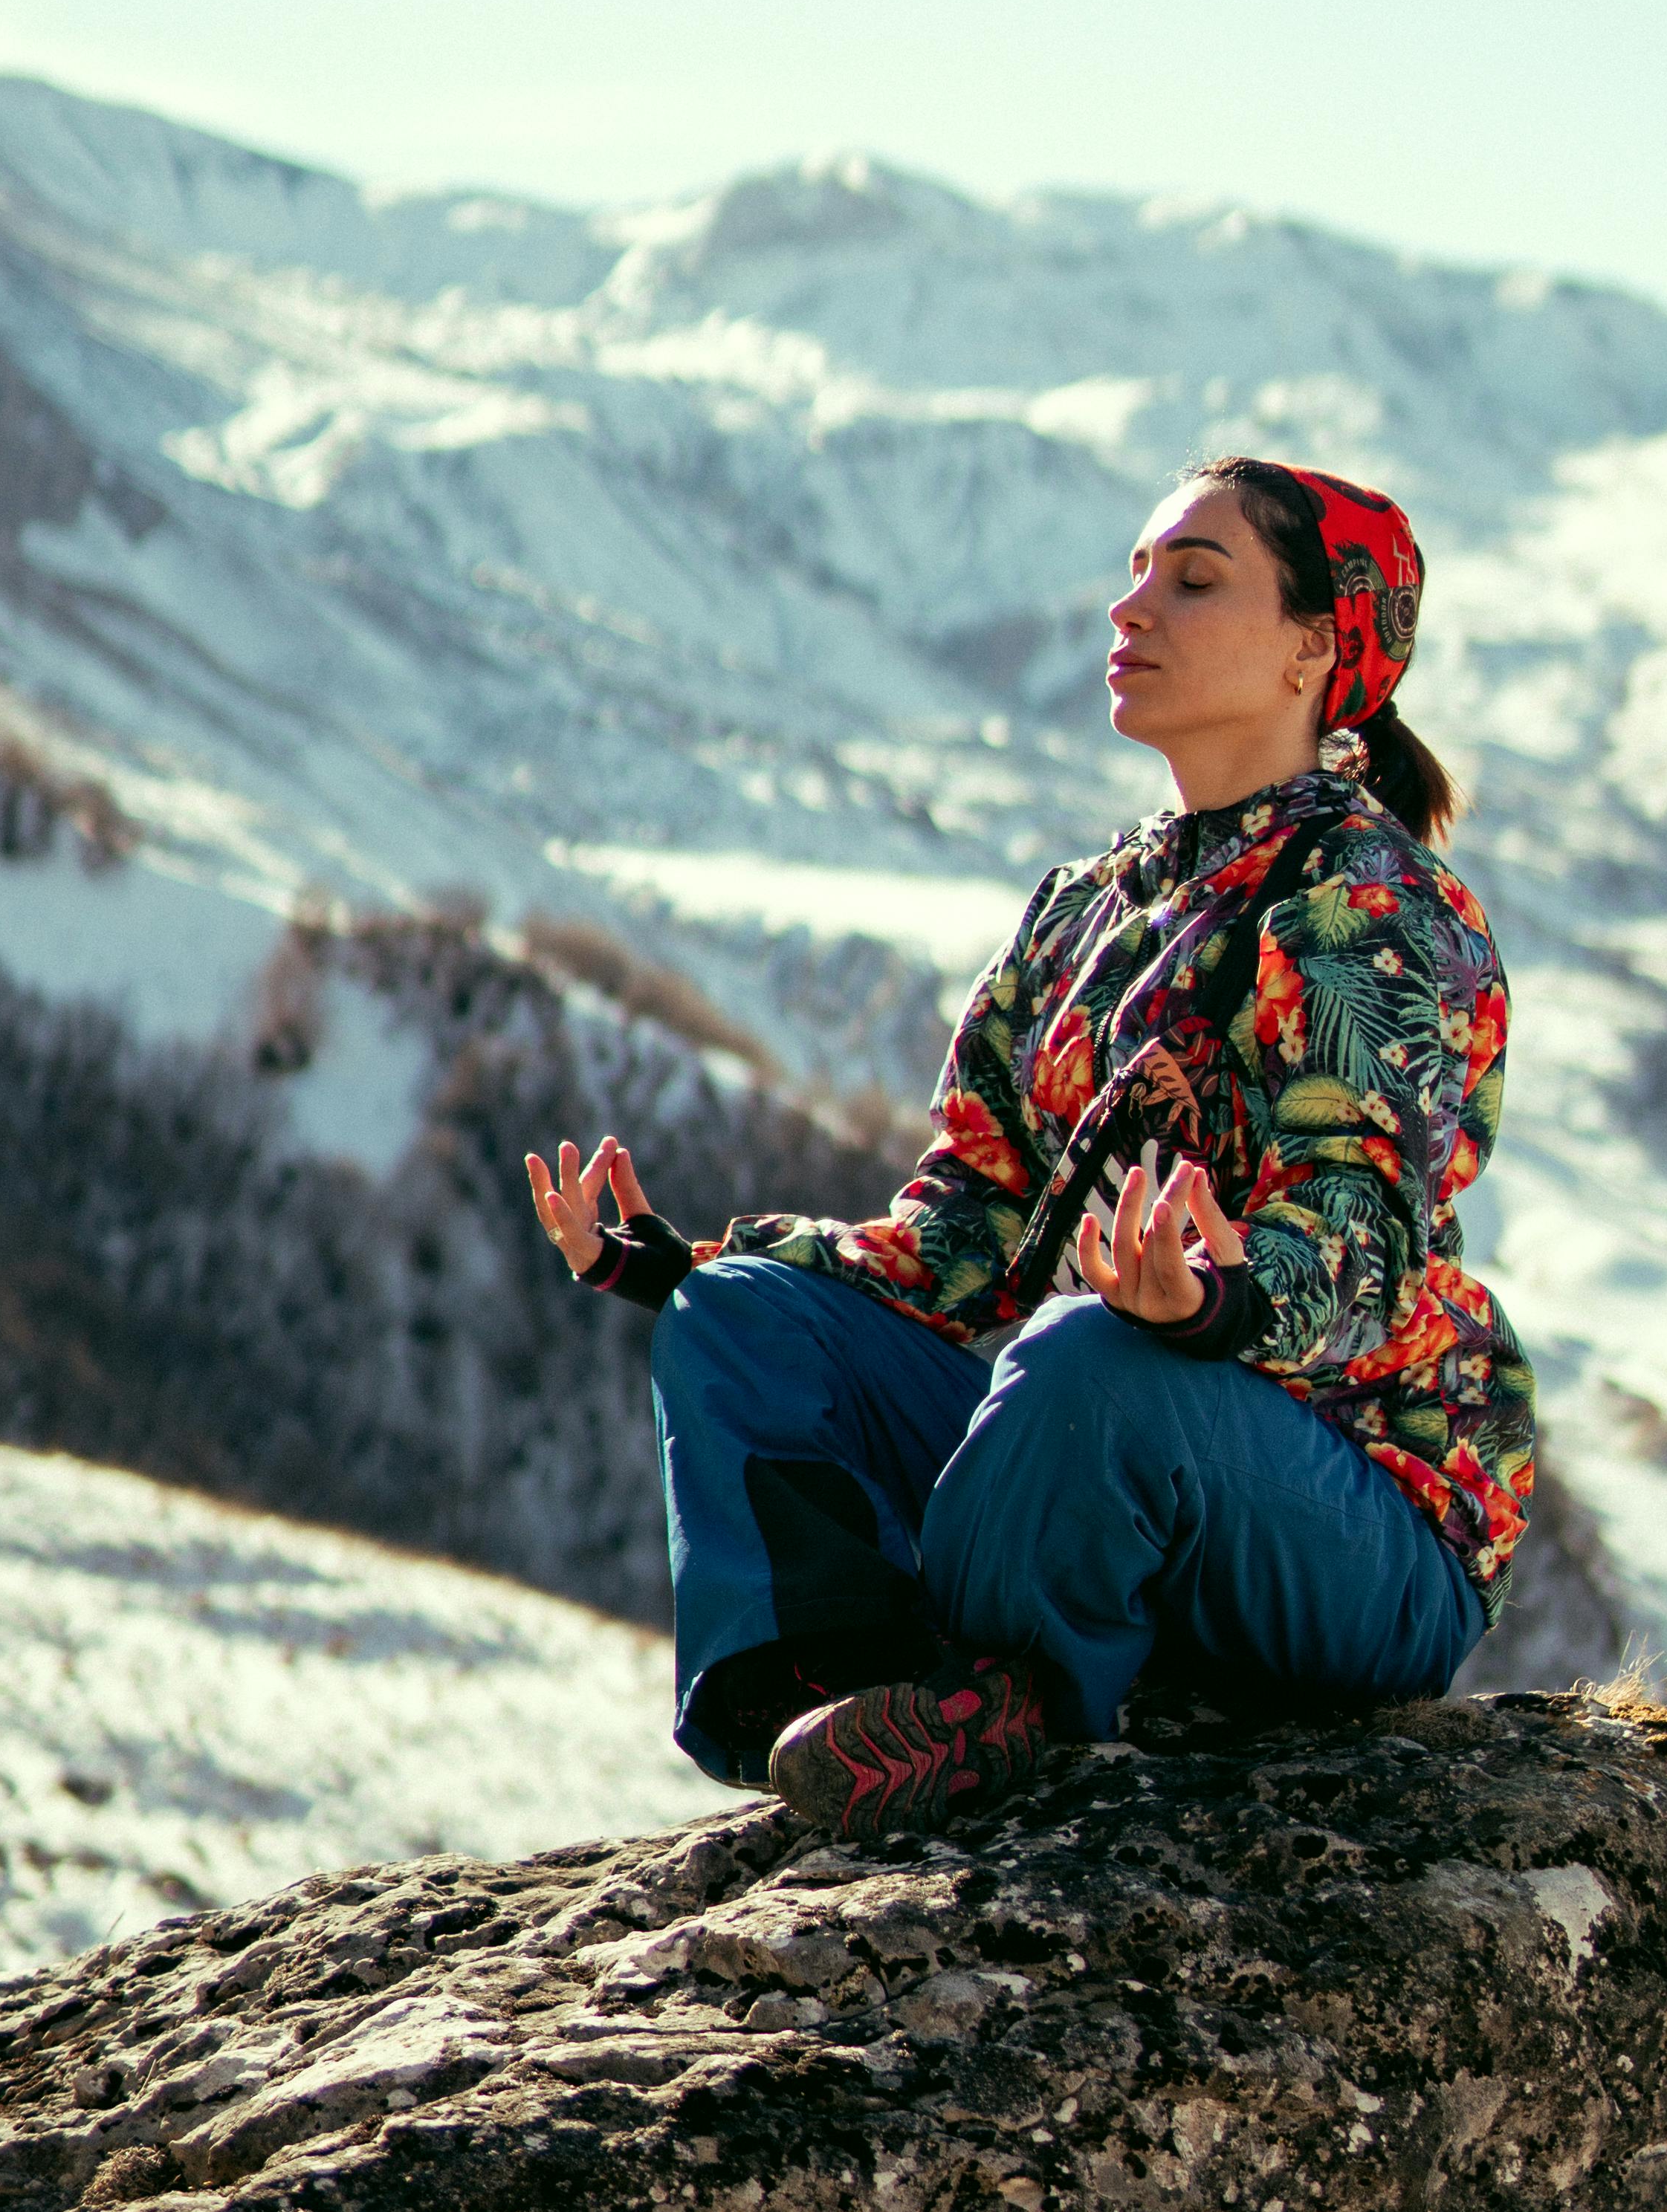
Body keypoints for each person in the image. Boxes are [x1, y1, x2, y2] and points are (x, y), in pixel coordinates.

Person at [525, 455, 1534, 1843]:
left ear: (1318, 646)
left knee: (1091, 1358)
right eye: (1133, 574)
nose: (1132, 610)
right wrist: (686, 1260)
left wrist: (1211, 1301)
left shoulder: (1375, 906)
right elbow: (968, 1223)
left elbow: (1366, 1236)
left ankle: (1012, 1703)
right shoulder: (1081, 911)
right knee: (741, 1322)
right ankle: (837, 1709)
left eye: (1192, 580)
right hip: (1102, 1446)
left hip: (1350, 1514)